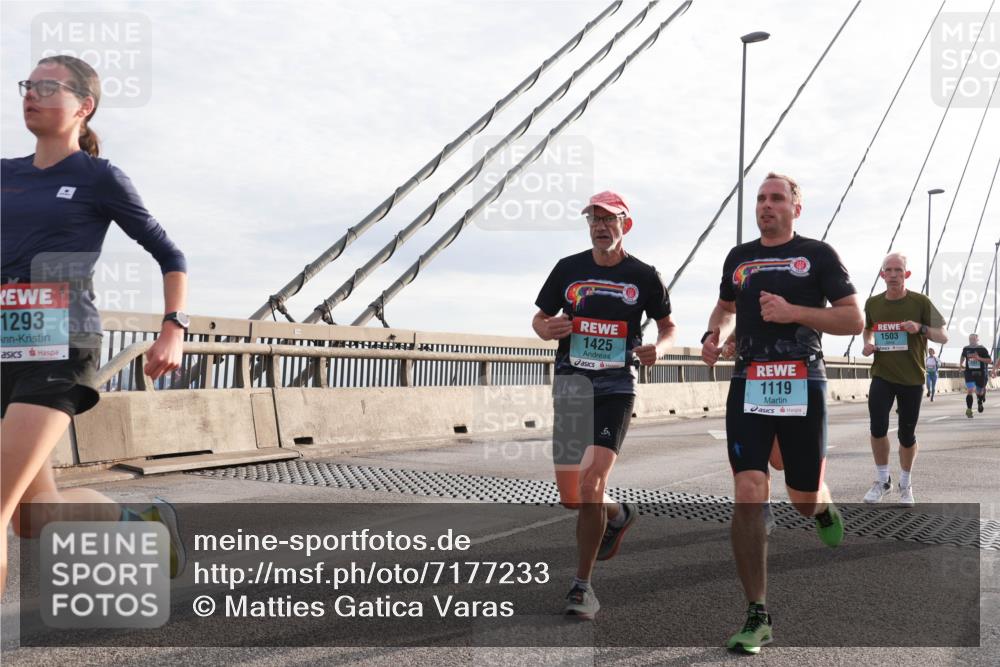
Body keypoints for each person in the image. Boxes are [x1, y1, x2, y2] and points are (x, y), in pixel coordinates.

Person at [1, 56, 189, 592]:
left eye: (47, 86)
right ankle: (145, 529)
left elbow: (170, 255)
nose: (30, 94)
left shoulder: (98, 177)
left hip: (59, 345)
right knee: (32, 517)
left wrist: (172, 326)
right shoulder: (4, 174)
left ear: (84, 106)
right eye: (27, 85)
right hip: (3, 346)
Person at [701, 172, 863, 654]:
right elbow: (725, 307)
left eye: (776, 199)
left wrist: (795, 312)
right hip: (748, 381)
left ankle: (822, 502)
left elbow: (853, 319)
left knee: (801, 497)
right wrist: (714, 335)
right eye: (760, 199)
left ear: (796, 207)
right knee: (750, 487)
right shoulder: (740, 258)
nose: (766, 206)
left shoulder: (818, 255)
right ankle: (758, 613)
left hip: (802, 381)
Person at [533, 191, 676, 620]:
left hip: (616, 386)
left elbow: (668, 326)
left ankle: (582, 586)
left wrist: (660, 349)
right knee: (573, 498)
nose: (600, 225)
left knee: (593, 482)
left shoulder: (644, 276)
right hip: (573, 385)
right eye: (593, 219)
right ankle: (618, 513)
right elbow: (540, 317)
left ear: (624, 225)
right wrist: (546, 328)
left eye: (608, 219)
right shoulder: (568, 269)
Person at [860, 253, 948, 506]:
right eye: (889, 270)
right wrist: (868, 344)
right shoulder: (873, 303)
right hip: (882, 374)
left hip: (912, 377)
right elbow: (868, 329)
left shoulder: (920, 301)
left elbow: (943, 336)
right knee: (877, 427)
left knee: (906, 435)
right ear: (882, 275)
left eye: (899, 270)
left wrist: (920, 328)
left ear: (906, 274)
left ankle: (905, 483)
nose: (894, 274)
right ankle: (882, 480)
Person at [959, 333, 992, 417]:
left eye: (973, 339)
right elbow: (963, 356)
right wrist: (960, 364)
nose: (972, 341)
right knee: (970, 390)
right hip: (969, 372)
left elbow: (989, 360)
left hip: (981, 372)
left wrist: (979, 358)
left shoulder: (982, 349)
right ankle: (969, 410)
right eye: (970, 339)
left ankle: (980, 401)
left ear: (977, 340)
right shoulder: (966, 348)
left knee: (979, 391)